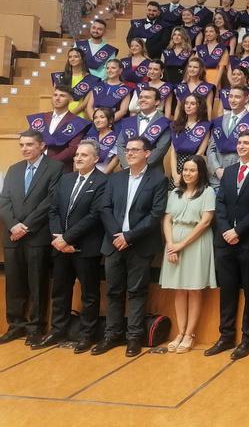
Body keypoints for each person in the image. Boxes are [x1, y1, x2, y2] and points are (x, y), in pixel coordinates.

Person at [92, 136, 168, 357]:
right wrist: (117, 235)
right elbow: (104, 208)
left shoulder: (158, 179)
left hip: (139, 244)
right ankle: (111, 335)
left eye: (136, 149)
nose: (130, 153)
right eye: (128, 149)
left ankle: (134, 338)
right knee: (113, 291)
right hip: (114, 242)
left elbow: (155, 214)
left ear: (148, 153)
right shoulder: (115, 179)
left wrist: (129, 236)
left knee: (136, 292)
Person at [33, 141, 107, 352]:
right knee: (60, 291)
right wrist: (58, 237)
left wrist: (67, 239)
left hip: (85, 247)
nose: (78, 158)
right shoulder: (66, 179)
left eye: (84, 155)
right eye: (76, 155)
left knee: (89, 294)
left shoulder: (102, 182)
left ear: (95, 159)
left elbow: (94, 216)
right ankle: (58, 330)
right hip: (60, 246)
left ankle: (86, 335)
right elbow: (53, 210)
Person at [205, 131, 249, 360]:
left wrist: (238, 231)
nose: (240, 146)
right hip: (225, 242)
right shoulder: (229, 172)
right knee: (227, 291)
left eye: (246, 143)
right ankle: (225, 336)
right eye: (239, 142)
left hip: (248, 241)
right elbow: (220, 203)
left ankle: (247, 339)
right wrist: (225, 230)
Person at [0, 131, 64, 345]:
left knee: (37, 282)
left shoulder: (55, 168)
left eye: (29, 144)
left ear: (41, 146)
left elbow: (51, 201)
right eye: (21, 145)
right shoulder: (14, 169)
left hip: (36, 234)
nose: (24, 149)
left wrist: (26, 226)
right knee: (14, 283)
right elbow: (4, 201)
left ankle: (35, 327)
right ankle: (15, 325)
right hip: (12, 235)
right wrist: (13, 225)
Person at [159, 155, 216, 354]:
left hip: (196, 242)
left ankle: (190, 334)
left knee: (194, 289)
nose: (188, 174)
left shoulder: (208, 192)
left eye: (193, 170)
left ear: (200, 173)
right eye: (185, 170)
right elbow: (167, 219)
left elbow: (205, 222)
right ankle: (180, 332)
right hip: (174, 242)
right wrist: (171, 245)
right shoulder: (174, 192)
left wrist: (181, 245)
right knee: (179, 289)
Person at [207, 86, 249, 187]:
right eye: (230, 96)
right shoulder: (219, 121)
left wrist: (231, 172)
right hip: (216, 178)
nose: (232, 100)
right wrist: (217, 169)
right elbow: (211, 149)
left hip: (239, 176)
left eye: (237, 97)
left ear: (246, 99)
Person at [26, 86, 91, 172]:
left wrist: (49, 162)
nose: (57, 98)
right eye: (55, 95)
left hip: (60, 169)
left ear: (70, 99)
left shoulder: (77, 122)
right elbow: (32, 140)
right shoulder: (41, 118)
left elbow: (72, 149)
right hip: (36, 166)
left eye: (62, 96)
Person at [115, 87, 172, 170]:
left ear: (157, 102)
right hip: (127, 169)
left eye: (147, 97)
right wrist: (127, 166)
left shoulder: (165, 123)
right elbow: (120, 145)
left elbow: (160, 149)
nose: (142, 100)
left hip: (151, 171)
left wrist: (141, 167)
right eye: (140, 97)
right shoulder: (128, 121)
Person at [169, 96, 211, 185]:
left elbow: (200, 153)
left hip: (194, 167)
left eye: (192, 104)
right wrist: (175, 174)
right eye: (186, 103)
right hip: (177, 166)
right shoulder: (176, 125)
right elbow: (173, 152)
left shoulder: (204, 126)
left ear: (199, 106)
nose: (188, 106)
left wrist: (185, 173)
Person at [52, 47, 100, 117]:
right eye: (70, 57)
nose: (72, 59)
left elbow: (85, 103)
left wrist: (69, 115)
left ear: (82, 59)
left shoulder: (91, 79)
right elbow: (55, 98)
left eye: (76, 57)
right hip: (60, 114)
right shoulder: (60, 77)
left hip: (79, 114)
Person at [85, 108, 120, 173]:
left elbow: (115, 160)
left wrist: (102, 176)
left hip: (101, 172)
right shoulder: (90, 136)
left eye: (102, 117)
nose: (98, 120)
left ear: (110, 120)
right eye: (95, 118)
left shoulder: (116, 138)